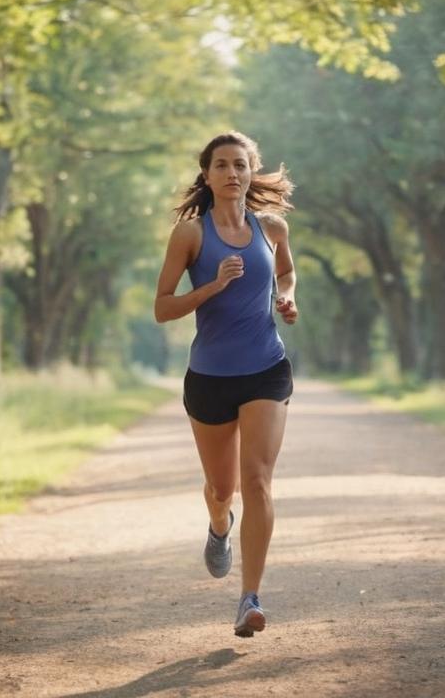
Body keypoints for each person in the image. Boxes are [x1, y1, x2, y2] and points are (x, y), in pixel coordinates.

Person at [154, 131, 298, 638]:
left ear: (251, 172)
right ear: (207, 174)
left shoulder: (272, 227)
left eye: (240, 164)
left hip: (266, 367)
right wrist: (212, 286)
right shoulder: (191, 235)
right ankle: (220, 525)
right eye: (221, 164)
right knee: (223, 488)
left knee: (257, 480)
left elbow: (285, 273)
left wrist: (285, 298)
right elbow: (162, 308)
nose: (231, 173)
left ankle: (250, 597)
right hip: (211, 376)